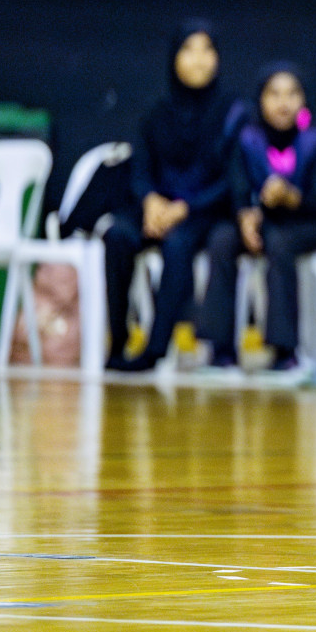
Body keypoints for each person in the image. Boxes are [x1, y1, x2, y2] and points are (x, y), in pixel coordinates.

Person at [104, 21, 244, 372]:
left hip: (205, 209)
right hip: (157, 206)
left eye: (206, 50)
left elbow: (232, 180)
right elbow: (141, 169)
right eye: (189, 50)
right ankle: (118, 340)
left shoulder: (232, 113)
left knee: (178, 243)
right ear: (174, 58)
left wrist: (183, 208)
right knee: (117, 235)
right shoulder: (157, 112)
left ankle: (155, 348)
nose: (198, 60)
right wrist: (151, 201)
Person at [199, 63, 316, 372]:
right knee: (221, 238)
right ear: (260, 99)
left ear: (304, 99)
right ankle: (220, 349)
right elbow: (237, 186)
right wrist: (245, 216)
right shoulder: (247, 138)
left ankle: (284, 351)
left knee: (279, 242)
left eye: (292, 93)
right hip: (269, 222)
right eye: (274, 94)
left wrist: (291, 196)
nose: (283, 103)